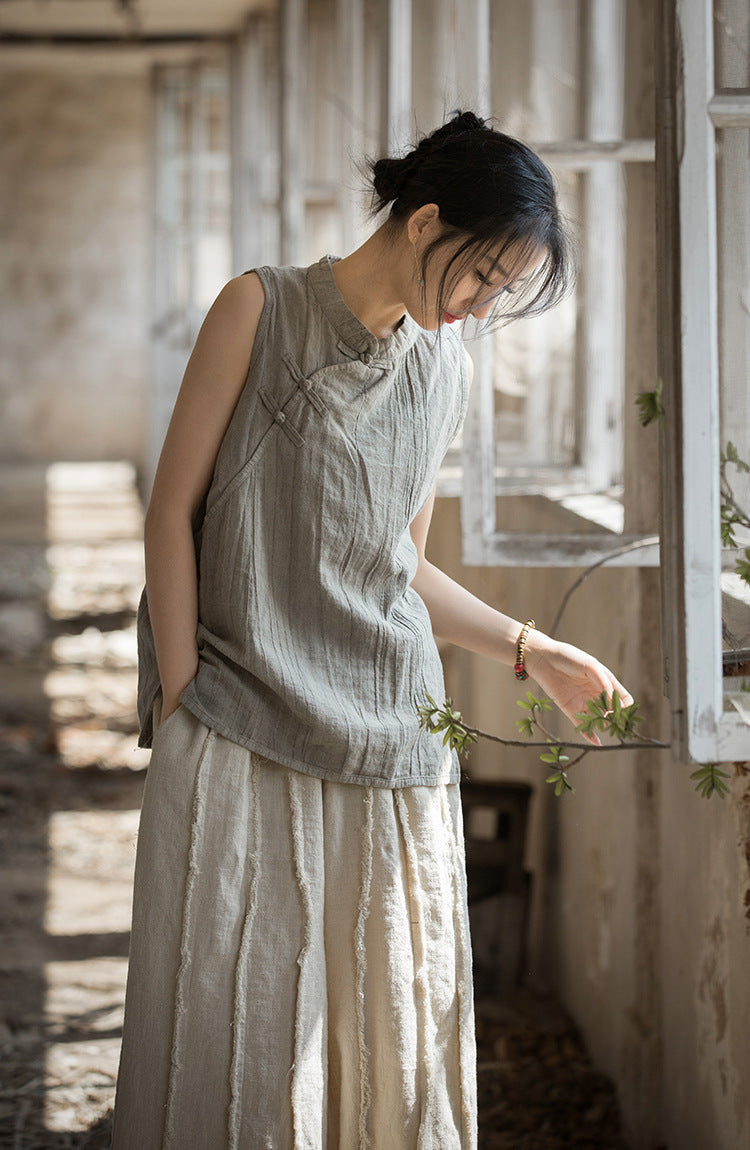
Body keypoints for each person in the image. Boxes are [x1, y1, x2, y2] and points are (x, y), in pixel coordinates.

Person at [111, 109, 632, 1149]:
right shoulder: (258, 309)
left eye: (504, 292)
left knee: (381, 1036)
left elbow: (399, 565)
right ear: (426, 221)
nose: (483, 306)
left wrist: (538, 650)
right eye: (483, 275)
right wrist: (180, 699)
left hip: (391, 744)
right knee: (233, 1035)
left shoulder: (446, 372)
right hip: (236, 725)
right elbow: (174, 511)